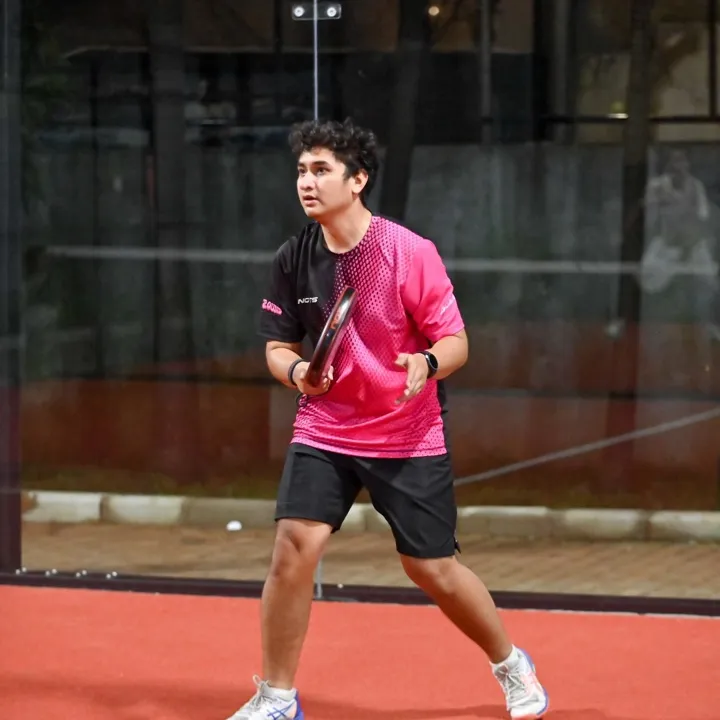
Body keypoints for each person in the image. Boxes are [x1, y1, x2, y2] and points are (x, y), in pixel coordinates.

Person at [225, 118, 549, 720]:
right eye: (301, 170)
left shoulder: (408, 252)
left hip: (406, 431)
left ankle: (509, 662)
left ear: (358, 180)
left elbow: (456, 342)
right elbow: (277, 347)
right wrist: (298, 373)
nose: (306, 182)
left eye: (321, 170)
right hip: (325, 427)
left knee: (431, 567)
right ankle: (277, 696)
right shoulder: (294, 258)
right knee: (294, 546)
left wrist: (427, 362)